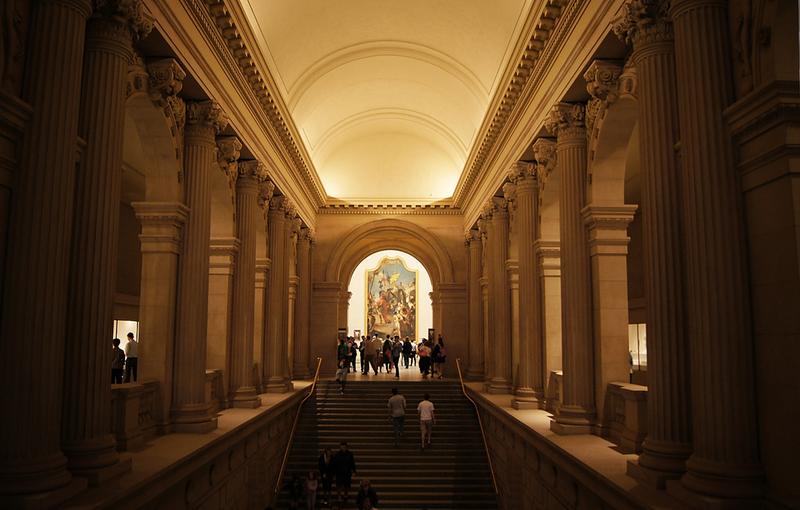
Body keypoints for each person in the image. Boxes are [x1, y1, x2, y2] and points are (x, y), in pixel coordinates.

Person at [332, 441, 357, 506]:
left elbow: (352, 463)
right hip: (339, 473)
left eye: (344, 447)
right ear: (340, 447)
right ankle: (339, 497)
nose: (343, 448)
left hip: (347, 473)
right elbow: (334, 465)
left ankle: (346, 495)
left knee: (347, 486)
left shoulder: (350, 454)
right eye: (342, 447)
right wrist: (334, 474)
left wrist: (354, 471)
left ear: (346, 447)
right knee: (339, 486)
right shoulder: (337, 454)